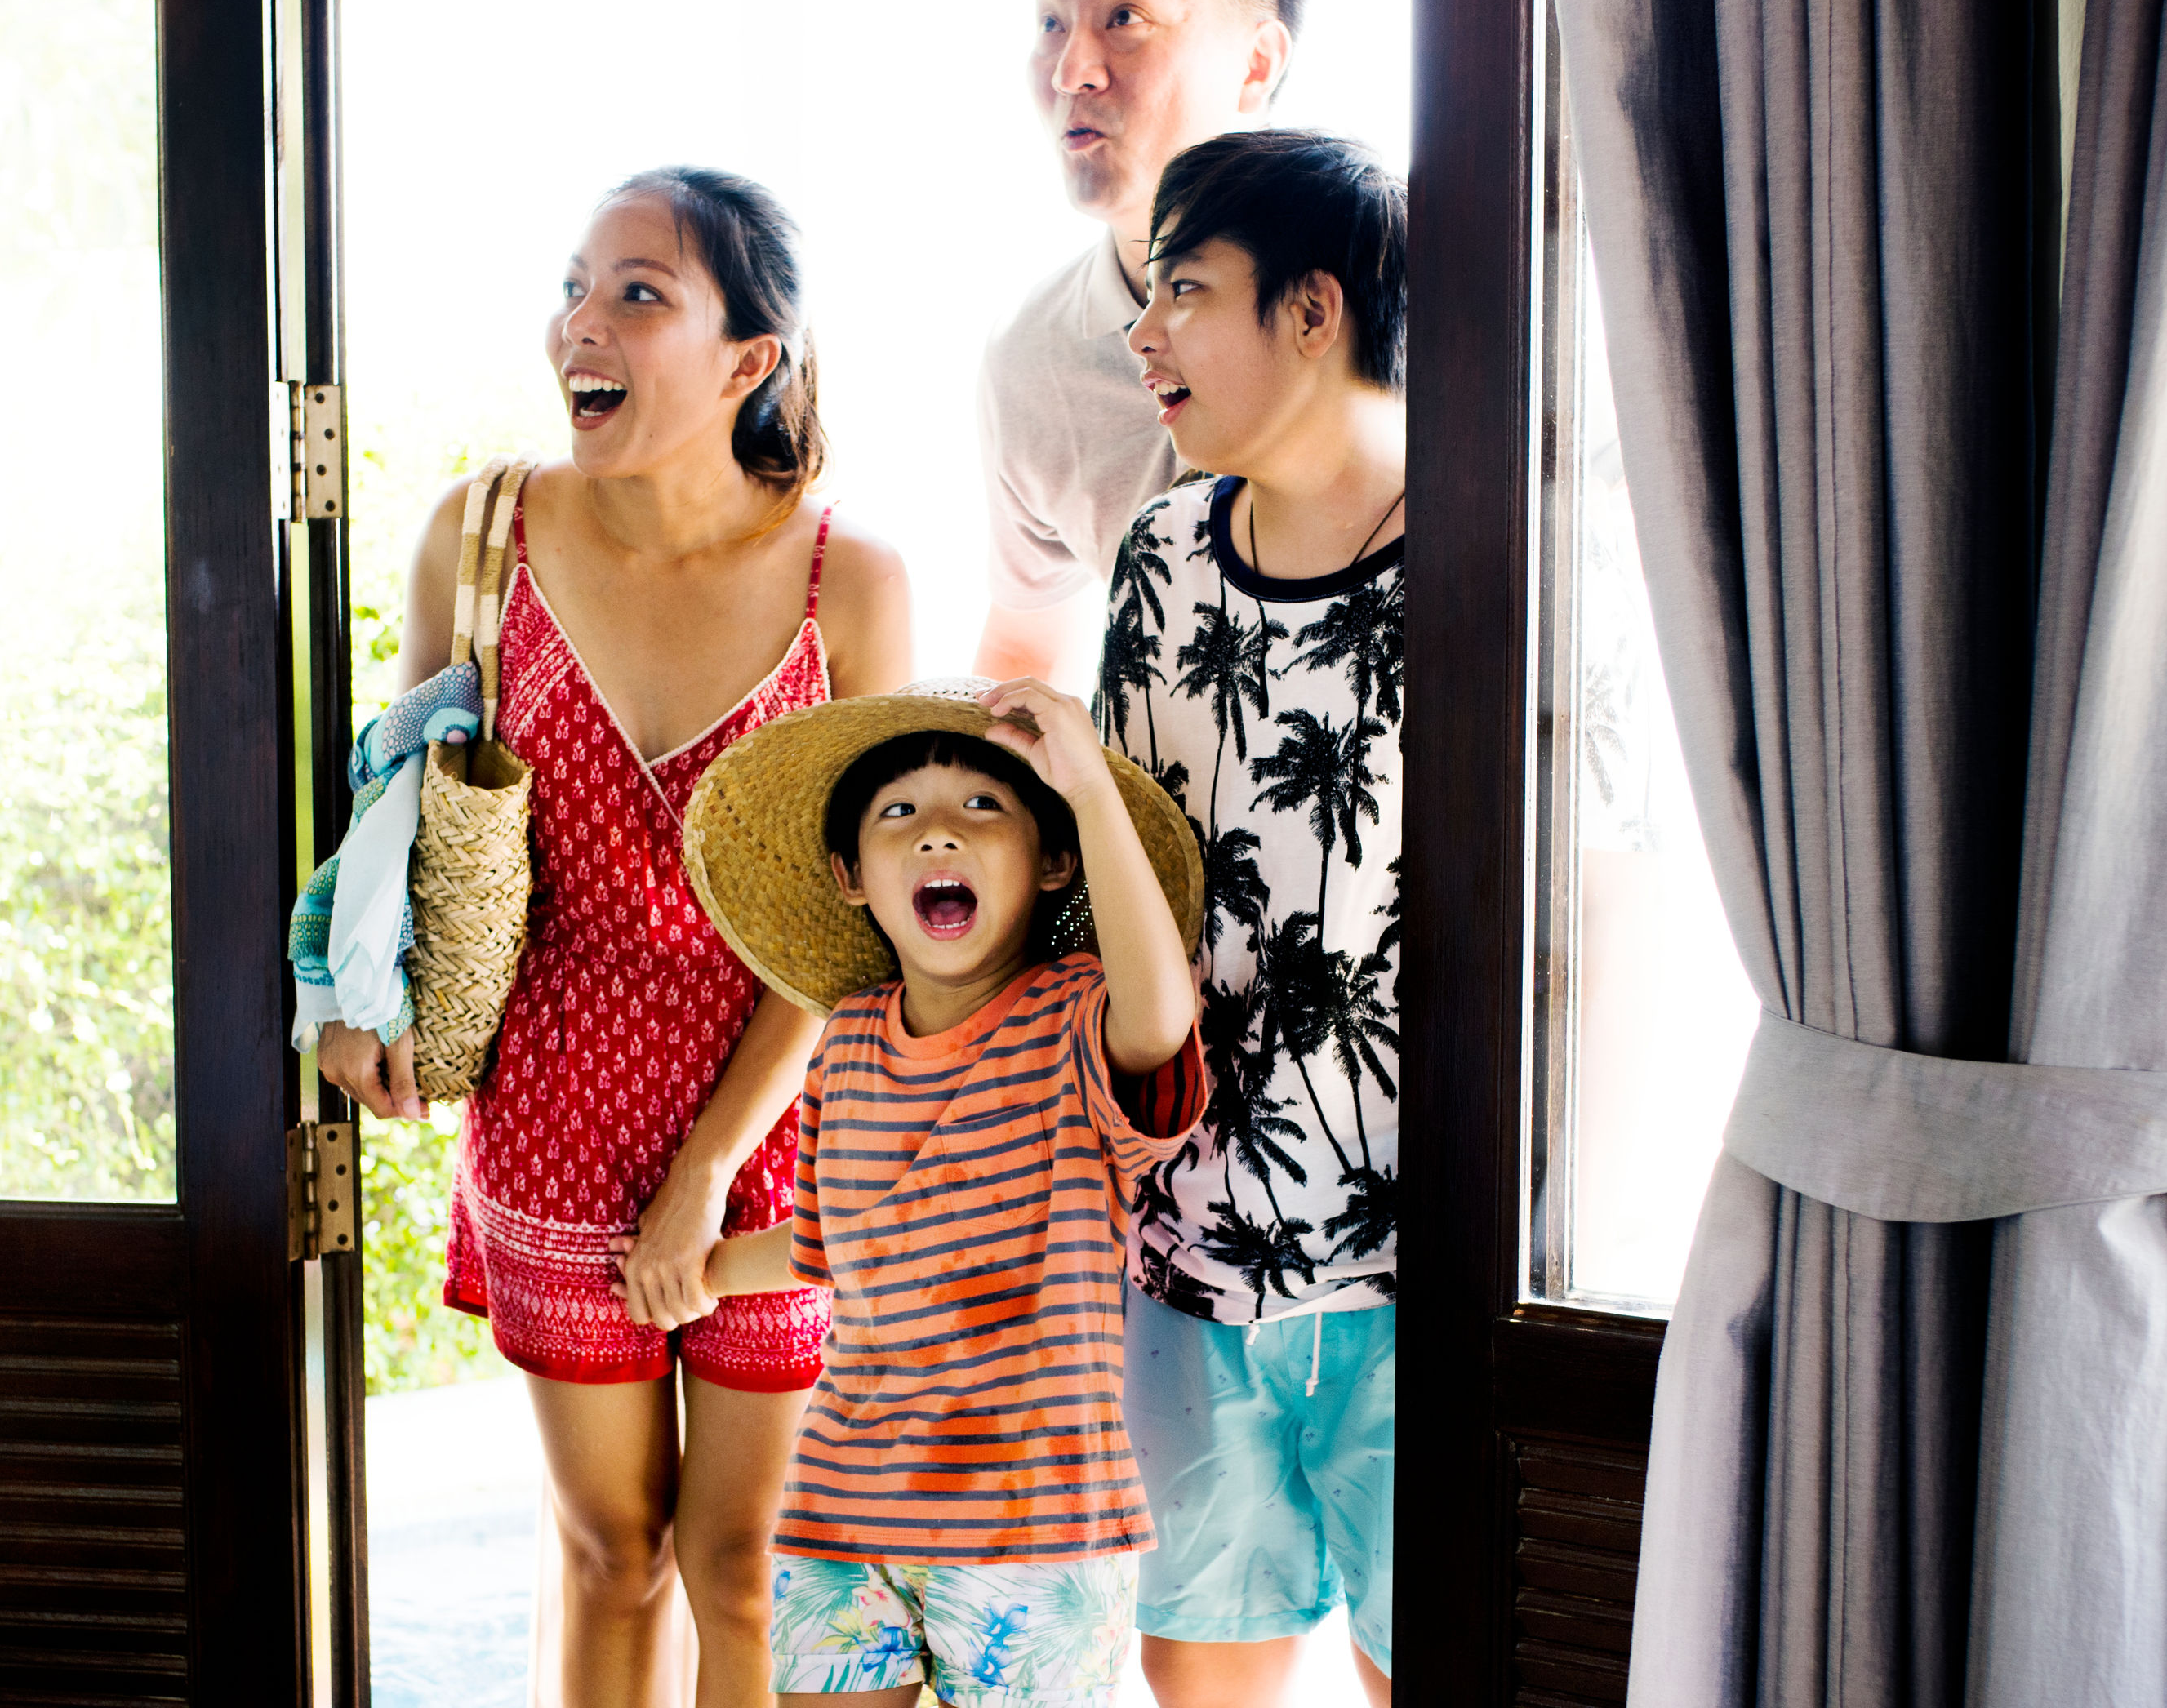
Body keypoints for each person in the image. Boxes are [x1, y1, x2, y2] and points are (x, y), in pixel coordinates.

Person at [317, 167, 914, 1706]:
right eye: (576, 287)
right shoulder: (483, 531)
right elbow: (396, 810)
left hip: (781, 1129)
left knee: (746, 1568)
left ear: (747, 358)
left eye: (639, 292)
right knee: (611, 1552)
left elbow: (864, 933)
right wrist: (352, 1001)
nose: (581, 323)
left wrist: (711, 1169)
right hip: (553, 1119)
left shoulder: (853, 579)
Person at [661, 677, 1208, 1708]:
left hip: (1031, 1527)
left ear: (1053, 864)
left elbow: (1163, 1019)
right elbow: (834, 1243)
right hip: (840, 1511)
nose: (937, 836)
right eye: (898, 814)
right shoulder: (849, 1039)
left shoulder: (1077, 1018)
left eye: (982, 809)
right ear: (852, 875)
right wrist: (697, 1269)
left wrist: (1088, 791)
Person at [1098, 129, 1406, 1706]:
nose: (1144, 333)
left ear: (1314, 312)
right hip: (1186, 1252)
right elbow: (1118, 888)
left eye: (1185, 290)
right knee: (1196, 1673)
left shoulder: (1492, 556)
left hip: (1422, 1254)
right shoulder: (1159, 558)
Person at [975, 0, 1300, 688]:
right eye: (1051, 22)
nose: (1071, 73)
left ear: (1255, 64)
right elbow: (1027, 654)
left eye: (1124, 16)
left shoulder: (1419, 294)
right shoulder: (1033, 358)